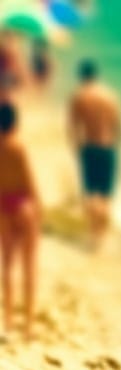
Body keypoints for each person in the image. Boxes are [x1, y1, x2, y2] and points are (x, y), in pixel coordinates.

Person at [68, 59, 121, 250]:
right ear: (96, 74)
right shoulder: (111, 95)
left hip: (89, 148)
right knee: (106, 196)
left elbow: (73, 128)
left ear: (82, 76)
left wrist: (76, 150)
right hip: (109, 149)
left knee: (91, 194)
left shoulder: (79, 96)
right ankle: (104, 238)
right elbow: (118, 127)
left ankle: (94, 235)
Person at [0, 102, 39, 341]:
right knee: (29, 265)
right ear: (15, 122)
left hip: (3, 205)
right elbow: (29, 182)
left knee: (7, 263)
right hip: (22, 205)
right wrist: (40, 209)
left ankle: (9, 320)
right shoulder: (19, 146)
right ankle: (29, 326)